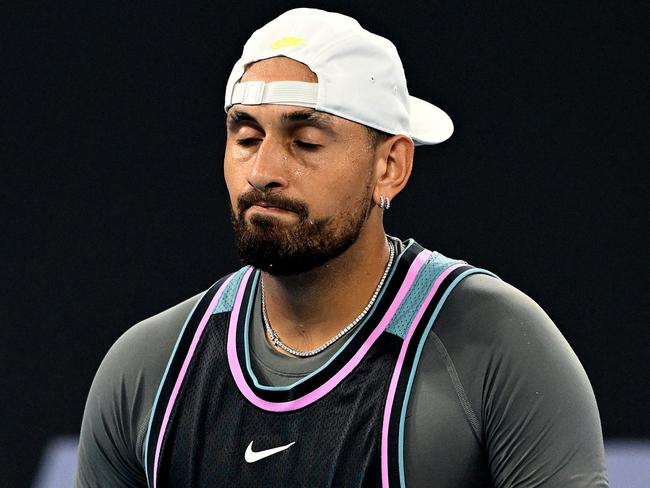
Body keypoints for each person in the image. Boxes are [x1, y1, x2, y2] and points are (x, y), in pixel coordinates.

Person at [75, 8, 608, 487]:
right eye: (246, 138)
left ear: (389, 167)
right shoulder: (146, 371)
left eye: (305, 142)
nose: (262, 173)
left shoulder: (500, 351)